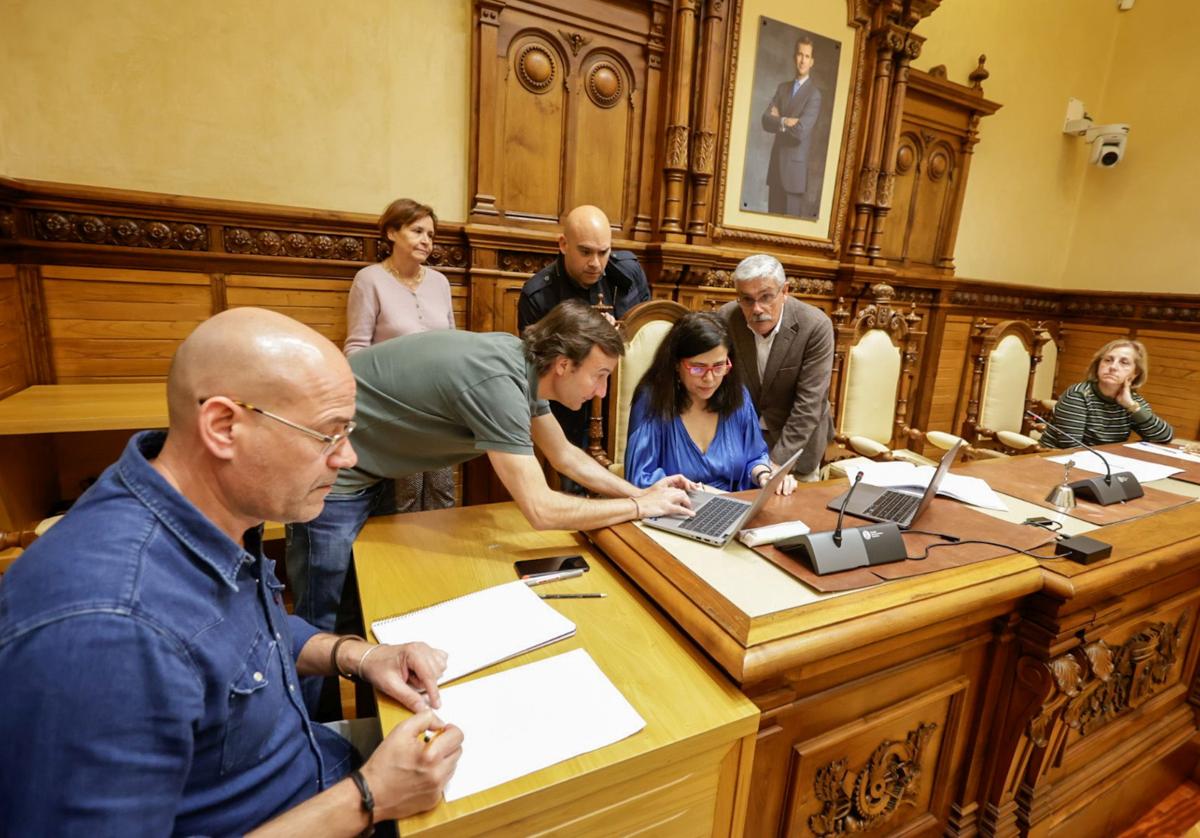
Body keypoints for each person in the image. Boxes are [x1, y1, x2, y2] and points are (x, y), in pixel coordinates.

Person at [0, 308, 463, 836]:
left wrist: (359, 655)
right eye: (328, 435)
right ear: (223, 427)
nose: (348, 456)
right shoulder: (106, 630)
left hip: (312, 770)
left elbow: (242, 638)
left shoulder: (202, 505)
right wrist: (369, 797)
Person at [287, 300, 695, 707]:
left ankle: (358, 727)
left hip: (372, 467)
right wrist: (641, 509)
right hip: (328, 474)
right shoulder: (498, 382)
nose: (602, 391)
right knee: (323, 624)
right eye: (600, 375)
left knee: (364, 612)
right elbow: (542, 509)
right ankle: (312, 742)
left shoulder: (521, 365)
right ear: (564, 365)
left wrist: (640, 493)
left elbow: (563, 454)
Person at [517, 205, 651, 481]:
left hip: (622, 405)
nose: (596, 263)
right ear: (563, 245)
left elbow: (646, 329)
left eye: (604, 252)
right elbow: (538, 368)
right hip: (569, 412)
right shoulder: (538, 294)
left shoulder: (628, 272)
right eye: (586, 252)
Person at [343, 197, 455, 513]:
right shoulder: (370, 279)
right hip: (394, 403)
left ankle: (440, 561)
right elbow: (356, 348)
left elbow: (452, 344)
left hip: (440, 402)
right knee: (405, 494)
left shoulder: (440, 282)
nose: (426, 241)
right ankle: (404, 559)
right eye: (417, 231)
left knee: (442, 491)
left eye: (431, 235)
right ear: (392, 233)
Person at [626, 312, 797, 496]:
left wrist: (765, 476)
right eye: (698, 367)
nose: (709, 378)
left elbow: (754, 456)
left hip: (732, 509)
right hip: (673, 511)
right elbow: (640, 479)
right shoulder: (652, 400)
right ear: (675, 364)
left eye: (718, 366)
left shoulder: (738, 395)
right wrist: (701, 493)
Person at [720, 254, 833, 482]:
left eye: (766, 297)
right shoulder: (726, 319)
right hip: (742, 446)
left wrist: (777, 464)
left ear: (785, 291)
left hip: (798, 447)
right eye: (747, 299)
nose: (757, 308)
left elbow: (809, 405)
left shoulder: (815, 326)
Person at [1041, 338, 1174, 448]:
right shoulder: (1079, 395)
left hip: (1102, 463)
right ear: (1098, 365)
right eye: (1108, 360)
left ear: (1135, 373)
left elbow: (1164, 437)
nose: (1113, 367)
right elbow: (1070, 447)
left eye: (1124, 362)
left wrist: (1132, 406)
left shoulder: (1132, 401)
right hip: (1059, 462)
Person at [761, 35, 822, 217]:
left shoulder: (814, 95)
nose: (802, 60)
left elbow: (800, 133)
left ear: (812, 61)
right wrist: (786, 121)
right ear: (794, 57)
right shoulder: (782, 88)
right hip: (775, 172)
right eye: (799, 54)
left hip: (794, 177)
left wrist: (779, 119)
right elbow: (765, 120)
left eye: (807, 56)